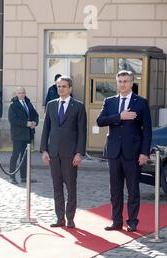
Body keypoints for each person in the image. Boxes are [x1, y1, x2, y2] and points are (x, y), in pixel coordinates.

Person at [96, 70, 152, 232]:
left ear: (132, 82)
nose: (122, 84)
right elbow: (100, 121)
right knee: (115, 189)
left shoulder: (141, 102)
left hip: (133, 153)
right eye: (120, 81)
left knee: (133, 189)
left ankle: (133, 221)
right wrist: (119, 116)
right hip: (114, 152)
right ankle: (116, 221)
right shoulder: (110, 101)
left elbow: (147, 130)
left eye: (125, 81)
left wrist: (144, 153)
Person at [40, 76, 87, 229]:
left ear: (70, 88)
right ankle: (60, 218)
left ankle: (70, 218)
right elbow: (46, 128)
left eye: (64, 86)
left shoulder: (78, 106)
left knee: (71, 187)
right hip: (53, 153)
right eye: (58, 86)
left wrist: (79, 153)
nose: (61, 89)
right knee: (56, 187)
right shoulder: (51, 105)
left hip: (70, 154)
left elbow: (82, 132)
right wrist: (44, 150)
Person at [8, 87, 39, 184]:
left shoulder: (28, 103)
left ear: (25, 93)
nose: (21, 94)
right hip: (18, 135)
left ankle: (24, 177)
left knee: (25, 157)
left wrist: (35, 122)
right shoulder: (13, 106)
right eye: (19, 93)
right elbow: (13, 120)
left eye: (23, 93)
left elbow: (35, 115)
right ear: (16, 94)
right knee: (15, 155)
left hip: (28, 135)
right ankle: (11, 176)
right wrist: (26, 124)